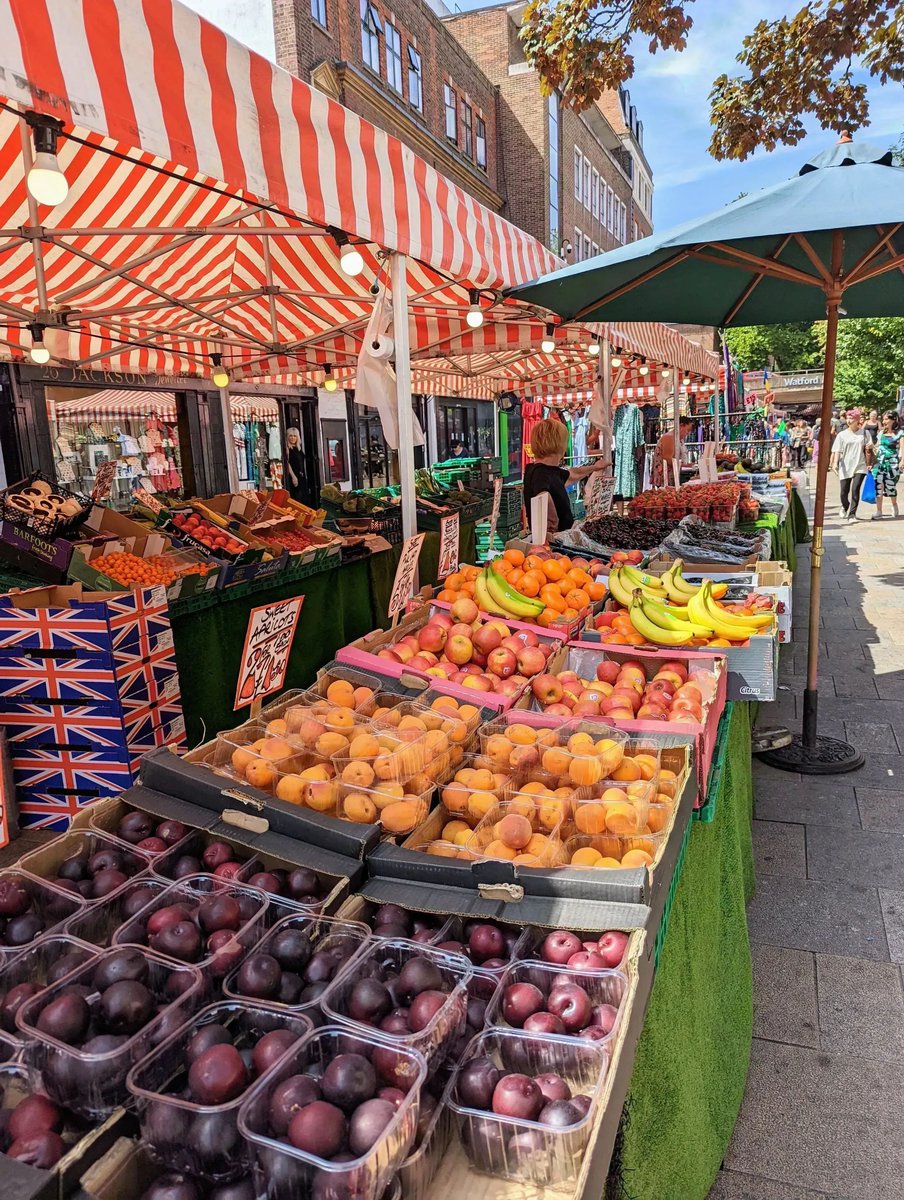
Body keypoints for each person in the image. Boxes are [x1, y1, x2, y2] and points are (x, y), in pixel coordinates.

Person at [523, 418, 598, 536]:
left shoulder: (547, 470)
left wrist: (595, 467)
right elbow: (542, 496)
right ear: (559, 444)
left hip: (560, 537)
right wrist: (553, 524)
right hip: (553, 542)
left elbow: (572, 474)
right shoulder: (540, 472)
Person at [830, 409, 870, 522]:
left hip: (860, 464)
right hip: (845, 465)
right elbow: (837, 450)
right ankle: (845, 506)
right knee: (844, 491)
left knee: (855, 489)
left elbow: (869, 446)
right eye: (848, 418)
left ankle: (852, 514)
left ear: (857, 420)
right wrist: (834, 463)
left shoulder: (864, 433)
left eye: (852, 418)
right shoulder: (842, 435)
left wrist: (870, 447)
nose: (849, 420)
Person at [872, 410, 904, 519]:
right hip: (879, 462)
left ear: (893, 420)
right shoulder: (881, 433)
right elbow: (876, 446)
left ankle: (894, 505)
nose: (884, 421)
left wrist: (902, 460)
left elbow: (903, 448)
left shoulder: (900, 433)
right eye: (883, 419)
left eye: (887, 419)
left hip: (892, 462)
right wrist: (871, 448)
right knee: (878, 485)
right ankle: (878, 510)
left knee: (890, 485)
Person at [284, 426, 307, 503]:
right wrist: (293, 476)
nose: (292, 438)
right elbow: (287, 463)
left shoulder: (298, 448)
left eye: (294, 436)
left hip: (301, 476)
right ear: (287, 437)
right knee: (296, 498)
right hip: (293, 476)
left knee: (303, 498)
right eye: (290, 436)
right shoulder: (287, 449)